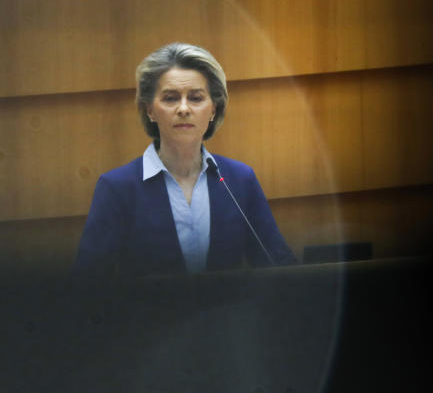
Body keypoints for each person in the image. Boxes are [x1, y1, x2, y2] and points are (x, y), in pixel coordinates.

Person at [73, 43, 296, 277]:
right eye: (170, 98)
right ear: (150, 110)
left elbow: (278, 265)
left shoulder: (239, 179)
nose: (183, 108)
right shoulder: (118, 187)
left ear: (213, 110)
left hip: (229, 313)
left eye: (196, 98)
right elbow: (88, 283)